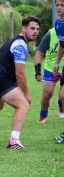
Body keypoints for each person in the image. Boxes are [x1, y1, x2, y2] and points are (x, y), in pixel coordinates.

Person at [0, 16, 40, 149]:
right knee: (23, 105)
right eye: (32, 28)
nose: (35, 31)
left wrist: (17, 88)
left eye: (37, 29)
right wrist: (26, 94)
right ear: (24, 29)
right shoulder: (20, 45)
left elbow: (14, 72)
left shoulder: (16, 41)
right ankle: (14, 141)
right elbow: (19, 73)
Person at [34, 28, 64, 123]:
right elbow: (39, 53)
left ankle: (61, 104)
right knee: (47, 93)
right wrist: (38, 71)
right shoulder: (51, 33)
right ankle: (43, 114)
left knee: (62, 95)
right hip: (51, 67)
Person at [53, 0, 64, 144]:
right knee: (62, 97)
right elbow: (62, 45)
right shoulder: (57, 23)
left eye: (62, 5)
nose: (59, 8)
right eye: (57, 5)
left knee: (62, 95)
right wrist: (57, 62)